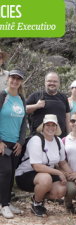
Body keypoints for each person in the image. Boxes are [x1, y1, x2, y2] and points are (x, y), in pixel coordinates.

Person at [16, 115, 76, 217]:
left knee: (61, 190)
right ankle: (36, 204)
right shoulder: (36, 140)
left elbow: (62, 162)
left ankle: (36, 197)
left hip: (47, 174)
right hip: (26, 174)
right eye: (47, 125)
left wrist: (74, 176)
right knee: (46, 178)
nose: (50, 127)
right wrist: (59, 172)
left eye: (53, 125)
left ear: (56, 127)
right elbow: (37, 167)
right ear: (43, 126)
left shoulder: (58, 141)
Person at [0, 68, 26, 219]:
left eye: (18, 78)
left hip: (15, 143)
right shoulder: (2, 96)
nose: (15, 81)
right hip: (2, 142)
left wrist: (21, 141)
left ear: (21, 81)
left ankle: (6, 202)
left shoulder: (21, 99)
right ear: (8, 78)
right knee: (6, 172)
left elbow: (24, 123)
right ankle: (3, 205)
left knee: (11, 174)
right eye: (13, 77)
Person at [26, 72, 70, 138]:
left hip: (59, 138)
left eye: (55, 81)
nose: (52, 83)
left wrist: (69, 136)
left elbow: (67, 117)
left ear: (59, 83)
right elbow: (23, 110)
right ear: (45, 82)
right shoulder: (36, 95)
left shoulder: (63, 97)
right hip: (38, 138)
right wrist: (36, 106)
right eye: (49, 81)